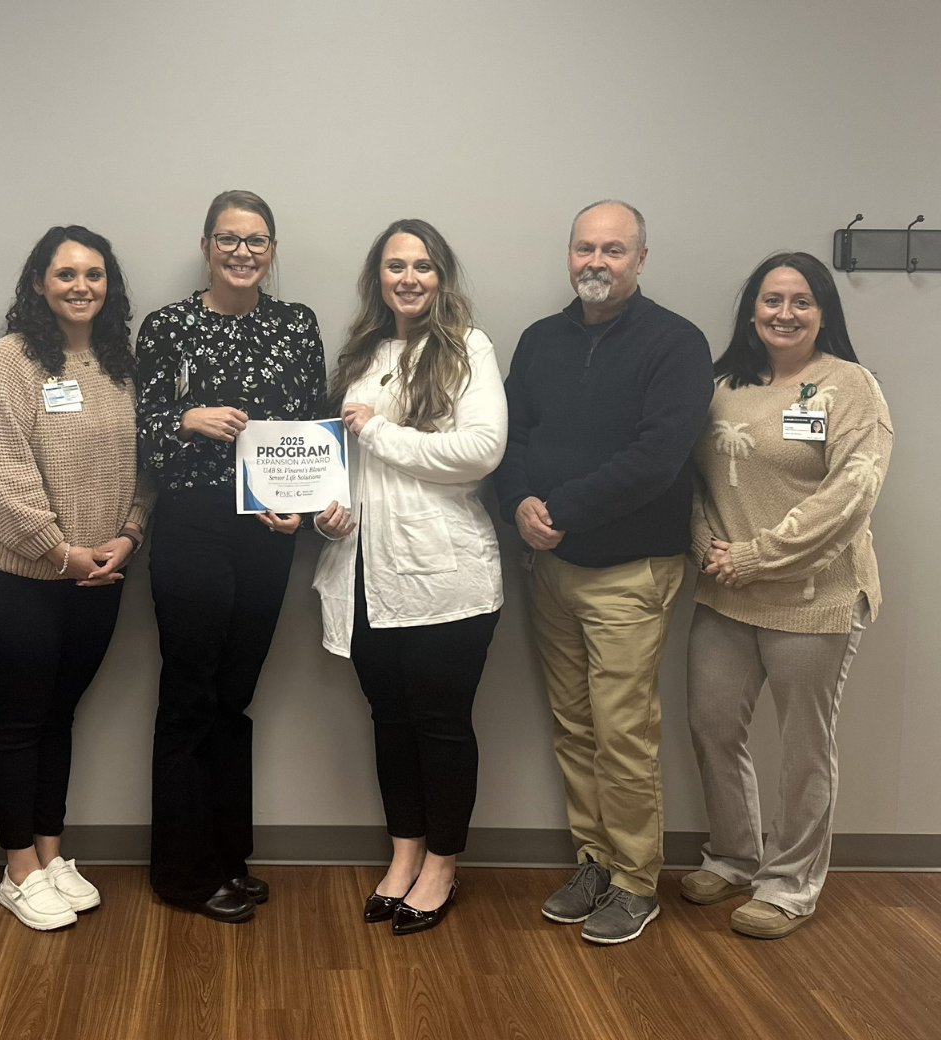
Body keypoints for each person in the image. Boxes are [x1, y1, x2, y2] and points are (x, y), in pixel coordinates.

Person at [493, 200, 713, 944]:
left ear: (642, 260)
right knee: (574, 727)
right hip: (550, 569)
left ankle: (635, 880)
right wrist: (520, 502)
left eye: (613, 250)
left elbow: (658, 457)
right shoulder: (539, 340)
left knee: (623, 731)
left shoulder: (675, 343)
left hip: (629, 572)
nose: (596, 262)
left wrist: (561, 508)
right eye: (585, 248)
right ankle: (593, 859)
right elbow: (514, 435)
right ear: (568, 256)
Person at [683, 252, 891, 938]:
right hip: (725, 593)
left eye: (801, 301)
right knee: (713, 727)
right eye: (772, 300)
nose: (785, 312)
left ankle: (790, 884)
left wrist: (756, 557)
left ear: (823, 312)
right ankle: (736, 857)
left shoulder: (850, 386)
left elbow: (851, 496)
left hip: (814, 596)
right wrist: (710, 548)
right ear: (751, 310)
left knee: (805, 745)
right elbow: (693, 482)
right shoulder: (721, 385)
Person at [136, 190, 327, 922]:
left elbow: (312, 429)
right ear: (207, 245)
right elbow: (145, 438)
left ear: (272, 249)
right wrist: (187, 417)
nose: (242, 251)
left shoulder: (296, 325)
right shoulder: (170, 327)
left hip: (267, 530)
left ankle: (228, 858)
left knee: (236, 699)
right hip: (192, 524)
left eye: (256, 240)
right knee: (190, 693)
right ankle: (182, 875)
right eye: (228, 238)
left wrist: (301, 506)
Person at [312, 219, 506, 936]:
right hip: (364, 572)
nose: (409, 278)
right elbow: (346, 462)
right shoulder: (362, 353)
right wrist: (328, 515)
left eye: (423, 265)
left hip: (444, 577)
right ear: (378, 278)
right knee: (390, 723)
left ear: (441, 276)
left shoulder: (467, 349)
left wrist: (378, 431)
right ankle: (403, 856)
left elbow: (483, 449)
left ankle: (442, 866)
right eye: (395, 266)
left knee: (441, 726)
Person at [0, 225, 153, 931]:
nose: (81, 287)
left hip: (101, 575)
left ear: (111, 286)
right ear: (39, 282)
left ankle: (50, 854)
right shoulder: (12, 359)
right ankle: (17, 869)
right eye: (66, 274)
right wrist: (58, 551)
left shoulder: (120, 363)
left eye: (94, 274)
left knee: (60, 716)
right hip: (18, 578)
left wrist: (128, 535)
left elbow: (145, 467)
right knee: (19, 720)